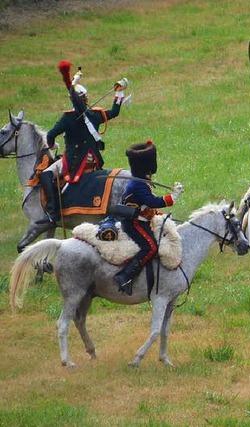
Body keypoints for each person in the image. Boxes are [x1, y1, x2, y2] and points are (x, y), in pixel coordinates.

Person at [37, 60, 128, 226]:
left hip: (74, 162)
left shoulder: (68, 118)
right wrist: (119, 93)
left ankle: (52, 212)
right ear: (86, 99)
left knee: (46, 174)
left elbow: (50, 135)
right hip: (93, 160)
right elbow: (114, 111)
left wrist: (52, 146)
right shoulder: (94, 115)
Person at [113, 140, 184, 295]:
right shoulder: (138, 185)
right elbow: (152, 201)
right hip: (134, 223)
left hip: (141, 218)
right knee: (150, 247)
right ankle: (124, 276)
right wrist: (173, 197)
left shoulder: (142, 181)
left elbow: (148, 203)